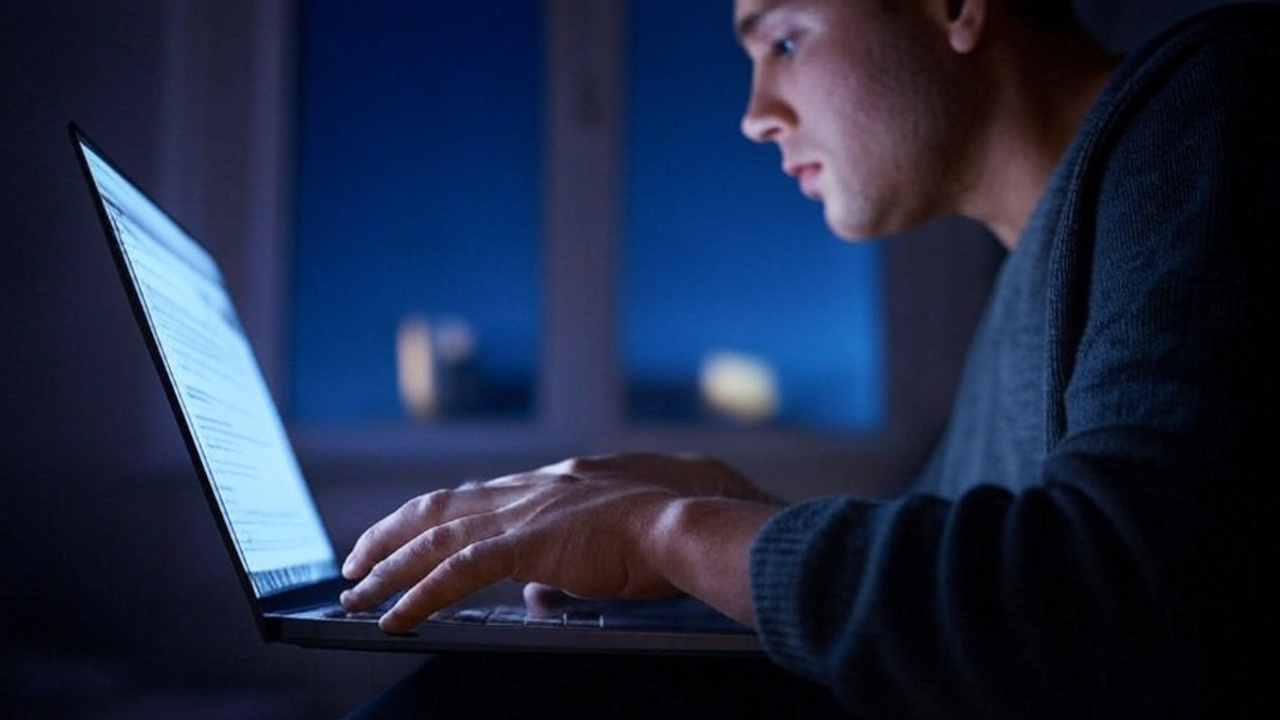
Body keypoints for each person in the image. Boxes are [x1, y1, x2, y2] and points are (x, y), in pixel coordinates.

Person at [340, 0, 1279, 717]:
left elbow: (1106, 600)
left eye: (785, 38)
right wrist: (733, 515)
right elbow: (950, 615)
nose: (754, 115)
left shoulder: (1211, 109)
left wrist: (669, 531)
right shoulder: (1033, 270)